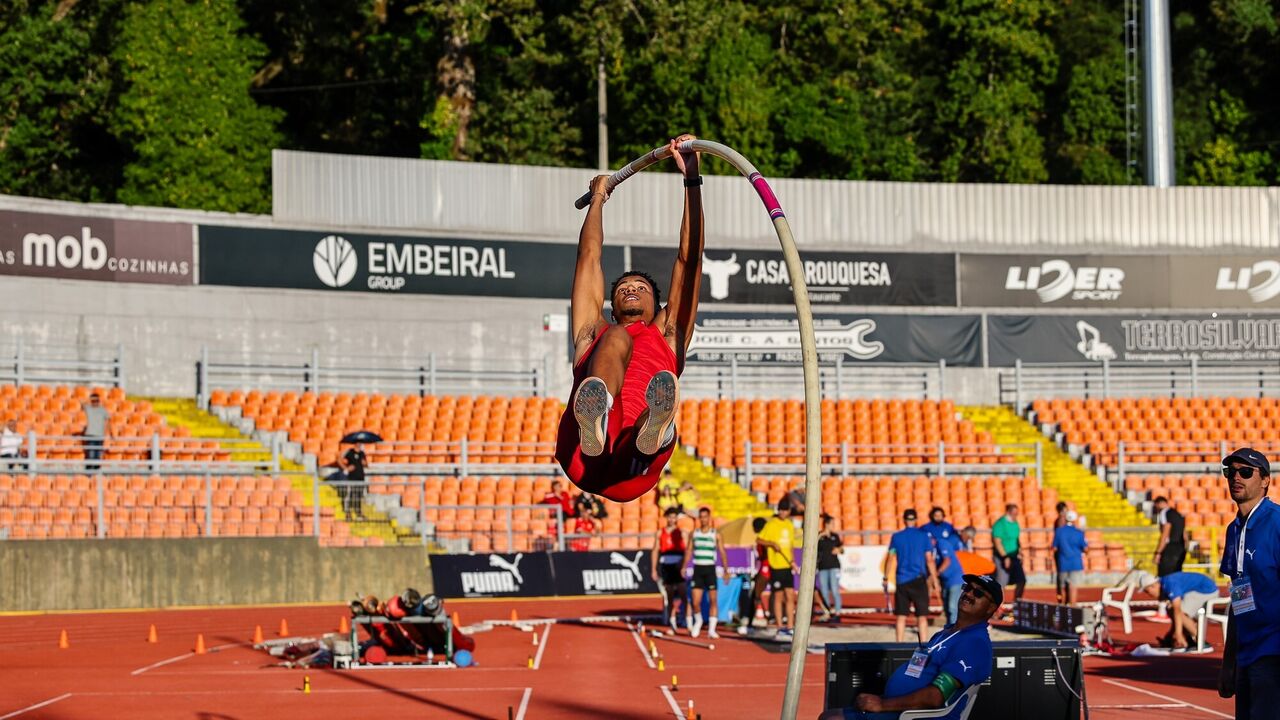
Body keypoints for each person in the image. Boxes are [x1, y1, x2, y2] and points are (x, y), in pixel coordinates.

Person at [555, 134, 706, 503]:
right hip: (582, 454)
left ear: (658, 304)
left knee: (650, 414)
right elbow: (588, 258)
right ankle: (599, 415)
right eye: (623, 287)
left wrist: (692, 180)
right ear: (611, 302)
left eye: (640, 286)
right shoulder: (594, 331)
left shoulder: (670, 334)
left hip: (633, 470)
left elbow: (690, 261)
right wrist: (598, 200)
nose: (630, 289)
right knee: (617, 339)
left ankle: (654, 430)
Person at [818, 574, 1002, 720]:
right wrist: (885, 698)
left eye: (978, 593)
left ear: (990, 608)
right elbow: (916, 669)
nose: (969, 594)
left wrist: (882, 705)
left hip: (917, 716)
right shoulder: (945, 634)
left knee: (831, 719)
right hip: (898, 709)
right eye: (968, 588)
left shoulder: (973, 644)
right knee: (828, 715)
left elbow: (935, 697)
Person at [1218, 447, 1280, 718]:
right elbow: (1239, 597)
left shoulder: (1277, 522)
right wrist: (1229, 662)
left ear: (1265, 480)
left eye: (1245, 471)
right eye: (1230, 472)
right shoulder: (1234, 530)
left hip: (1274, 652)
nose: (1236, 477)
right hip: (1247, 654)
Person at [885, 509, 940, 643]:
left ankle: (899, 644)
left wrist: (885, 577)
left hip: (902, 580)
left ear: (904, 520)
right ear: (915, 520)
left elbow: (890, 557)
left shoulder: (896, 537)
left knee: (901, 616)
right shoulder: (923, 536)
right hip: (918, 580)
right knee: (922, 617)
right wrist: (935, 580)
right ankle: (924, 645)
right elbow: (929, 559)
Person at [1130, 570, 1218, 649]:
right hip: (1200, 589)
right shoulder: (1165, 583)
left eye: (1147, 591)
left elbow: (1177, 610)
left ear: (1153, 586)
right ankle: (1186, 638)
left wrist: (1178, 634)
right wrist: (1171, 635)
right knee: (1171, 610)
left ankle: (1201, 641)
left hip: (1206, 591)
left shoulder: (1169, 584)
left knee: (1179, 612)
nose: (1148, 595)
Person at [683, 506, 729, 638]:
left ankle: (712, 629)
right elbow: (689, 551)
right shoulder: (694, 533)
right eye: (701, 517)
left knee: (713, 600)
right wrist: (684, 565)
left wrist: (726, 570)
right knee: (695, 601)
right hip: (698, 568)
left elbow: (722, 552)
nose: (703, 520)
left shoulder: (716, 534)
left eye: (705, 517)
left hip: (710, 569)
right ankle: (698, 620)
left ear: (709, 518)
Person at [757, 498, 799, 639]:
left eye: (785, 510)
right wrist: (771, 544)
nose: (782, 512)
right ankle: (780, 627)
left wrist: (792, 561)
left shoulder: (789, 525)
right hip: (776, 566)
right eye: (780, 509)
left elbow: (791, 546)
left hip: (787, 566)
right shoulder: (771, 524)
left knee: (790, 596)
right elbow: (759, 539)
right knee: (778, 596)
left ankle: (790, 627)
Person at [923, 508, 963, 625]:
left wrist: (936, 574)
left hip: (954, 579)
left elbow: (947, 560)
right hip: (945, 579)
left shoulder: (942, 543)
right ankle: (949, 627)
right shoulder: (930, 545)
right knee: (946, 606)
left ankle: (954, 630)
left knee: (952, 607)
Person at [651, 506, 688, 633]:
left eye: (674, 517)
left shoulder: (682, 533)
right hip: (666, 564)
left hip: (678, 564)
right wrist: (653, 569)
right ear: (666, 518)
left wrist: (684, 564)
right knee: (670, 594)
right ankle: (672, 621)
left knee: (683, 593)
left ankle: (685, 619)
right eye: (670, 517)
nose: (672, 519)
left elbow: (687, 551)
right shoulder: (660, 533)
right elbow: (655, 551)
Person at [738, 516, 772, 635]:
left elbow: (767, 554)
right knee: (756, 595)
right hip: (764, 567)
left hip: (766, 567)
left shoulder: (763, 538)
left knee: (756, 595)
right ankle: (760, 619)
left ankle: (753, 622)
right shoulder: (763, 538)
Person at [991, 504, 1026, 613]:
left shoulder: (1015, 523)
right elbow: (997, 541)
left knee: (1021, 580)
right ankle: (998, 607)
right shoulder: (999, 524)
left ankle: (1017, 603)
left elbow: (1016, 539)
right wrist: (1004, 556)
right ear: (1008, 512)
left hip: (1014, 556)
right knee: (1002, 581)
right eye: (1014, 513)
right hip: (1002, 556)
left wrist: (1020, 550)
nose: (1016, 515)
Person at [1052, 510, 1088, 605]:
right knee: (1073, 587)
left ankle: (1063, 607)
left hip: (1063, 562)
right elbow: (1085, 548)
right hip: (1076, 563)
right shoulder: (1079, 533)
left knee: (1063, 587)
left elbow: (1054, 547)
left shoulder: (1059, 531)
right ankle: (1073, 607)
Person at [816, 514, 844, 622]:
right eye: (832, 523)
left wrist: (839, 550)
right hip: (823, 567)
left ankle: (837, 612)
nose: (834, 526)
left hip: (834, 566)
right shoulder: (820, 536)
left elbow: (842, 549)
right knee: (824, 591)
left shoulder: (835, 536)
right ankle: (827, 611)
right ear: (826, 524)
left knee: (834, 589)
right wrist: (821, 535)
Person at [1152, 496, 1187, 578]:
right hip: (1180, 547)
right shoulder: (1178, 514)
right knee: (1177, 574)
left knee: (1164, 576)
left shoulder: (1164, 513)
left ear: (1159, 504)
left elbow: (1165, 533)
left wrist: (1158, 552)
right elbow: (1184, 534)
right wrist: (1184, 548)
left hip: (1170, 548)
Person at [338, 441, 367, 519]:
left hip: (360, 477)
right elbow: (339, 460)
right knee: (350, 495)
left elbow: (366, 464)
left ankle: (358, 512)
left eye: (361, 443)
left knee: (359, 495)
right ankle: (348, 512)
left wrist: (365, 463)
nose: (360, 444)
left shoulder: (362, 453)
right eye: (358, 442)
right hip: (352, 477)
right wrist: (346, 468)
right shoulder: (350, 452)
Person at [80, 392, 109, 471]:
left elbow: (108, 422)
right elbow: (81, 404)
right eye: (93, 400)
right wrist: (89, 399)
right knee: (91, 452)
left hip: (100, 434)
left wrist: (107, 433)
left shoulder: (103, 410)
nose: (95, 402)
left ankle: (96, 469)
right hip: (90, 433)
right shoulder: (89, 408)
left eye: (96, 400)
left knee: (97, 452)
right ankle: (89, 469)